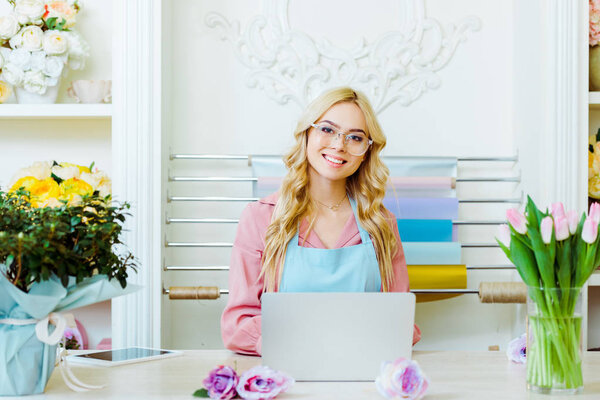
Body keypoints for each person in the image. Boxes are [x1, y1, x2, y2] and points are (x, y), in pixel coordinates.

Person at [221, 87, 421, 355]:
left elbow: (401, 320)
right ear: (307, 133)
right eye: (327, 130)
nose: (339, 145)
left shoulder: (381, 223)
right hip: (286, 371)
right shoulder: (261, 218)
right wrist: (302, 346)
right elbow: (238, 324)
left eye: (355, 137)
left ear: (366, 151)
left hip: (362, 372)